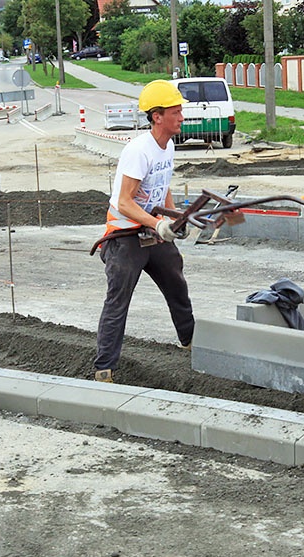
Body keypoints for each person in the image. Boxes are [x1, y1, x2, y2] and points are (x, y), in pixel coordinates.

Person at [94, 80, 194, 384]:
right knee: (118, 298)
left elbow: (162, 189)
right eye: (175, 112)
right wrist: (157, 224)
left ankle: (190, 343)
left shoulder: (168, 146)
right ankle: (104, 369)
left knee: (176, 283)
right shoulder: (139, 150)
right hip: (125, 236)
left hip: (153, 231)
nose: (181, 117)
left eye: (180, 111)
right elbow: (124, 201)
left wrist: (173, 219)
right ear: (157, 116)